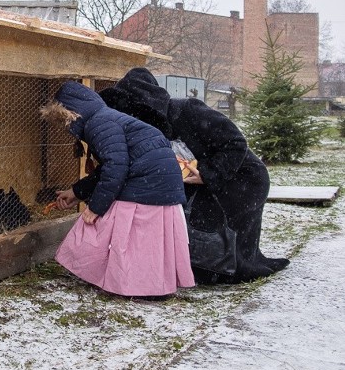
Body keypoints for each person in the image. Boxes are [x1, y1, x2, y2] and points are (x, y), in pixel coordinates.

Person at [99, 67, 289, 284]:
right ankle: (211, 269)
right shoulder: (149, 129)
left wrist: (209, 174)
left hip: (242, 179)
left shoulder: (188, 110)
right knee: (208, 236)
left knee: (234, 252)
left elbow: (236, 143)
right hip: (205, 182)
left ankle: (229, 269)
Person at [41, 81, 195, 297]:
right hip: (161, 179)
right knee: (144, 239)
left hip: (147, 178)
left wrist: (95, 208)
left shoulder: (99, 123)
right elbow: (111, 167)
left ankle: (124, 281)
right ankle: (148, 284)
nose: (66, 128)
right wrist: (77, 192)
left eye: (64, 121)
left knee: (105, 222)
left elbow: (116, 166)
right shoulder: (106, 118)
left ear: (72, 112)